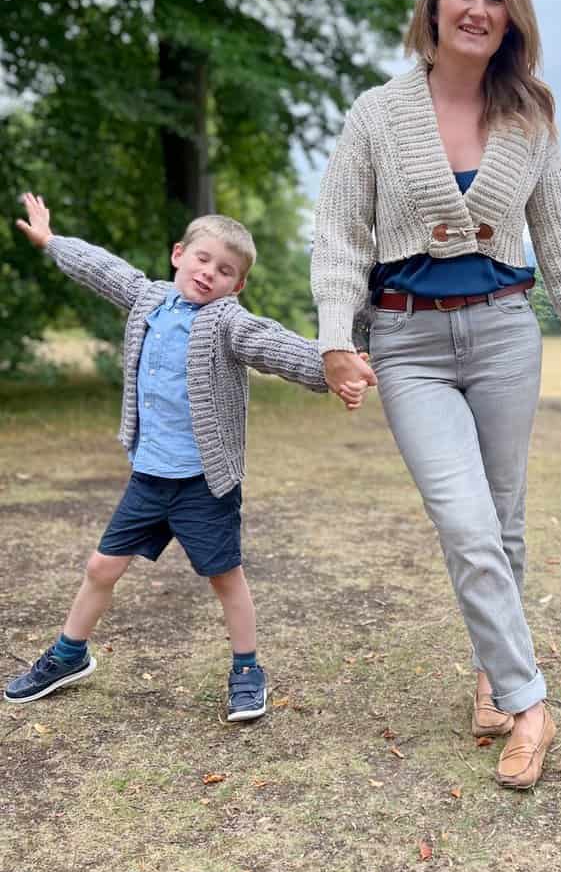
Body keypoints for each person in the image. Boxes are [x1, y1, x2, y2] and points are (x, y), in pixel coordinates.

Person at [312, 0, 561, 789]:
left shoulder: (528, 117)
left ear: (510, 15)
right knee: (466, 521)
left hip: (503, 332)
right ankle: (532, 706)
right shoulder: (379, 112)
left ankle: (493, 679)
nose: (478, 9)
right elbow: (340, 231)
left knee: (505, 521)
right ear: (434, 7)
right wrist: (339, 334)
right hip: (407, 341)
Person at [4, 195, 361, 720]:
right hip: (148, 478)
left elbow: (273, 344)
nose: (208, 273)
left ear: (236, 286)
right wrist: (52, 241)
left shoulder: (226, 323)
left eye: (225, 271)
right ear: (178, 254)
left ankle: (246, 668)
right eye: (202, 259)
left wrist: (331, 366)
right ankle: (68, 654)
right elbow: (103, 269)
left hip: (203, 484)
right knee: (101, 567)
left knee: (226, 578)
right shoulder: (146, 299)